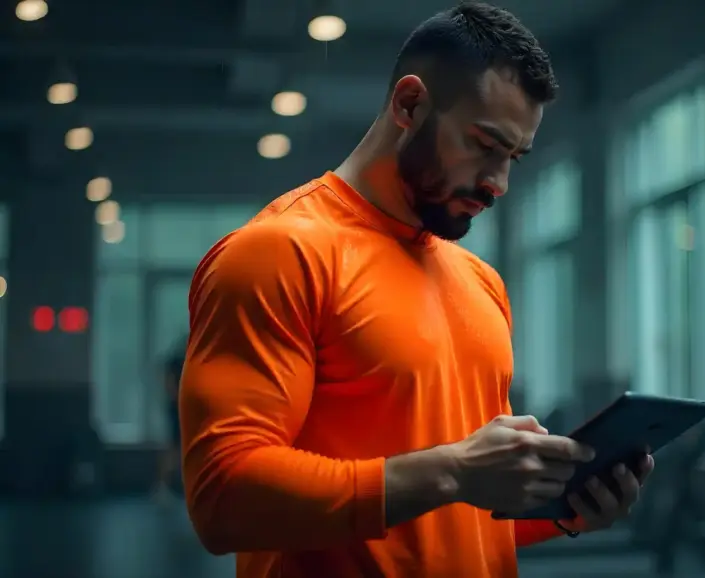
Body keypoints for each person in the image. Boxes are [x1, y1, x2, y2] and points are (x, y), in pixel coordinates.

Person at [178, 3, 654, 577]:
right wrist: (454, 470)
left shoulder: (481, 283)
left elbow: (464, 513)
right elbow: (223, 500)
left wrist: (569, 507)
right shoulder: (278, 254)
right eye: (484, 145)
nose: (498, 182)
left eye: (512, 157)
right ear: (409, 105)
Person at [153, 336, 186, 501]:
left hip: (181, 408)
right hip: (177, 409)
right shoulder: (176, 363)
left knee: (177, 450)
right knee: (173, 449)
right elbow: (170, 386)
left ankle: (165, 487)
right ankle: (162, 487)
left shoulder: (183, 362)